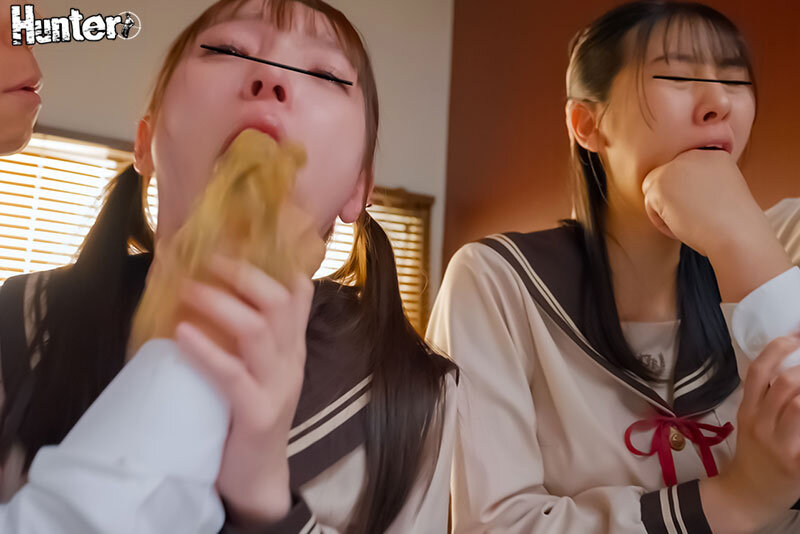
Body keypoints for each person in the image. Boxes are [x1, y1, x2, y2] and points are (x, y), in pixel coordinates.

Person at [0, 1, 456, 532]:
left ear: (359, 187)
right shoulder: (21, 321)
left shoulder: (415, 394)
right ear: (145, 144)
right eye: (227, 49)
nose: (271, 79)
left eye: (325, 74)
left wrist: (262, 498)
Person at [428, 1, 800, 533]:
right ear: (587, 124)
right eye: (677, 76)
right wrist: (739, 500)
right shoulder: (497, 283)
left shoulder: (788, 239)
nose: (719, 102)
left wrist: (739, 242)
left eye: (735, 81)